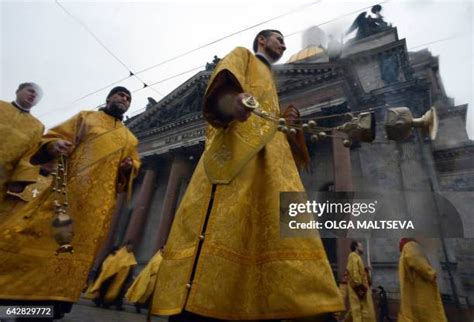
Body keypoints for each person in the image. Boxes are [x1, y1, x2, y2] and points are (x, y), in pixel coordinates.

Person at [150, 29, 343, 321]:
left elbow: (267, 126)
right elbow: (223, 91)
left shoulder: (271, 85)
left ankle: (276, 299)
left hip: (268, 167)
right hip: (233, 162)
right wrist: (233, 100)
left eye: (285, 41)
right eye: (278, 39)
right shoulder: (243, 57)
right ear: (261, 41)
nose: (284, 44)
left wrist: (290, 125)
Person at [0, 86, 140, 319]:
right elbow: (53, 138)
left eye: (127, 98)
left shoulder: (129, 138)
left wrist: (129, 168)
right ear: (109, 98)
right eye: (120, 95)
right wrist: (54, 145)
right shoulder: (86, 118)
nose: (123, 99)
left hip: (95, 211)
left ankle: (44, 312)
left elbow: (132, 167)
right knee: (39, 247)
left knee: (69, 261)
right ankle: (21, 310)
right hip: (66, 196)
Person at [0, 82, 44, 208]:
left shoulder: (37, 126)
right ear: (18, 91)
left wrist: (20, 180)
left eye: (37, 95)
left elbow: (30, 155)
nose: (33, 95)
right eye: (30, 90)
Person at [398, 238, 447, 322]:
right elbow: (415, 260)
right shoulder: (411, 245)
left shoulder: (406, 249)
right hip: (421, 288)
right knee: (427, 314)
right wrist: (431, 273)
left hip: (414, 290)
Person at [88, 242, 137, 310]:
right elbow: (112, 263)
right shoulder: (118, 253)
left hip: (122, 277)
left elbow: (131, 266)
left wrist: (129, 276)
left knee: (119, 291)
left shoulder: (131, 256)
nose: (131, 248)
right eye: (130, 246)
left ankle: (112, 304)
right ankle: (100, 301)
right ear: (126, 246)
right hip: (112, 275)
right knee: (105, 288)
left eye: (132, 247)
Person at [346, 241, 375, 322]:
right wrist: (359, 285)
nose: (362, 248)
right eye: (361, 246)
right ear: (356, 247)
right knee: (357, 309)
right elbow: (354, 272)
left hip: (358, 287)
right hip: (357, 287)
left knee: (359, 308)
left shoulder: (356, 257)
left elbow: (358, 271)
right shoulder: (353, 256)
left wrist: (365, 269)